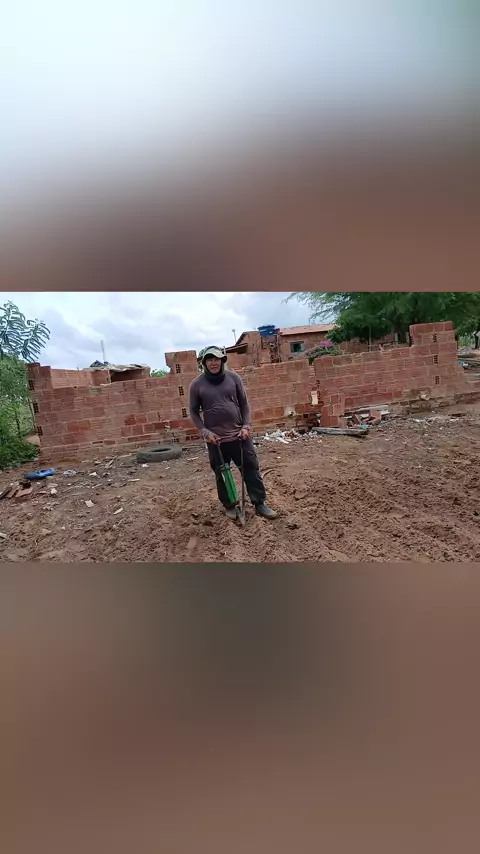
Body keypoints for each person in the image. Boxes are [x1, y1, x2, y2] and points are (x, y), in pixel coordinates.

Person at [188, 346, 277, 520]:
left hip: (239, 436)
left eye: (216, 359)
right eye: (209, 359)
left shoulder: (234, 378)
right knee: (222, 474)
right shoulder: (196, 384)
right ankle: (229, 505)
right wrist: (206, 432)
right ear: (204, 363)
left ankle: (260, 503)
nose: (213, 363)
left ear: (222, 360)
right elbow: (193, 411)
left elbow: (244, 404)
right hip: (215, 440)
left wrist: (246, 426)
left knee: (251, 469)